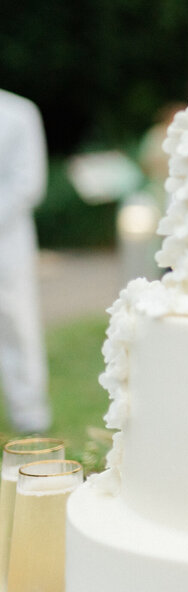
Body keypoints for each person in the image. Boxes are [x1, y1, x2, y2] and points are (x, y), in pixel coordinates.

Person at [0, 90, 51, 434]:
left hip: (8, 239)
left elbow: (29, 182)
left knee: (15, 321)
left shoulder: (18, 113)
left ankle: (30, 415)